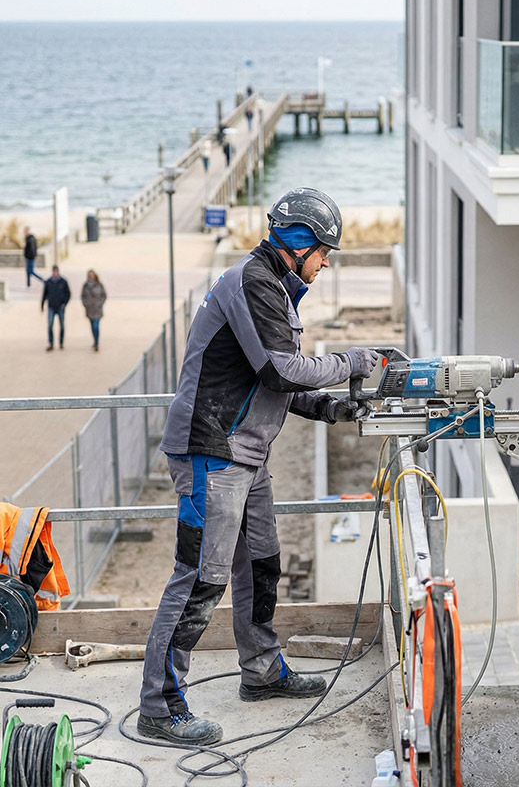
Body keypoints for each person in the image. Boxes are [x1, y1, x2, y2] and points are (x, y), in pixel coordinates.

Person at [137, 187, 379, 745]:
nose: (324, 264)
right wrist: (354, 360)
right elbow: (279, 369)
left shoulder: (273, 287)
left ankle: (263, 671)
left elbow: (271, 383)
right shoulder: (252, 281)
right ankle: (159, 705)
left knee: (262, 564)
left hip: (246, 452)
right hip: (211, 451)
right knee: (199, 578)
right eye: (323, 252)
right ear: (299, 243)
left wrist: (329, 406)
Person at [41, 265, 71, 351]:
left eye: (56, 272)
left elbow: (68, 294)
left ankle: (61, 343)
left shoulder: (63, 282)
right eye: (54, 272)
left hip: (60, 307)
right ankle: (51, 343)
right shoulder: (48, 282)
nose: (55, 273)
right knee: (50, 325)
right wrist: (42, 305)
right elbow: (44, 295)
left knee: (61, 325)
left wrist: (64, 303)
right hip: (51, 307)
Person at [80, 269, 107, 351]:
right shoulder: (85, 285)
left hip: (97, 309)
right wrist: (85, 304)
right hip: (89, 309)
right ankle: (95, 341)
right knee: (92, 326)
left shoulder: (99, 285)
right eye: (89, 275)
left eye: (92, 275)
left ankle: (97, 343)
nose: (90, 277)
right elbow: (82, 296)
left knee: (96, 326)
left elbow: (104, 295)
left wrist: (100, 303)